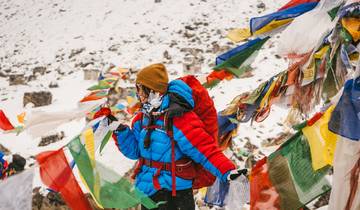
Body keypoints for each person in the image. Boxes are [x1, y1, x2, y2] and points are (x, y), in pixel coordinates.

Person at [114, 63, 246, 210]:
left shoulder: (179, 116)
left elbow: (204, 149)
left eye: (139, 87)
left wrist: (228, 171)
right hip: (148, 192)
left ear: (151, 89)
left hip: (175, 195)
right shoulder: (142, 118)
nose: (137, 93)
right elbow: (135, 152)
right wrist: (120, 131)